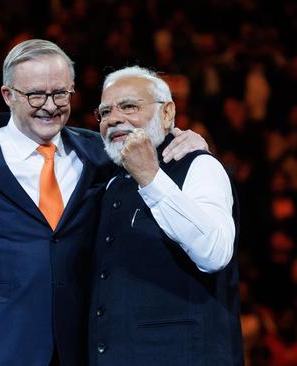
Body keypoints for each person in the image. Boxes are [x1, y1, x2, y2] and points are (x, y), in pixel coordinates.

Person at [0, 40, 207, 366]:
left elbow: (151, 156)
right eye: (35, 95)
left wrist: (188, 140)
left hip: (78, 346)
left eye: (61, 94)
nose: (50, 106)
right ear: (8, 95)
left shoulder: (99, 153)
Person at [89, 66, 243, 365]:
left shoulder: (199, 166)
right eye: (104, 112)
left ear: (167, 113)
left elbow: (214, 253)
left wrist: (151, 178)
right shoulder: (109, 182)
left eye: (129, 106)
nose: (114, 118)